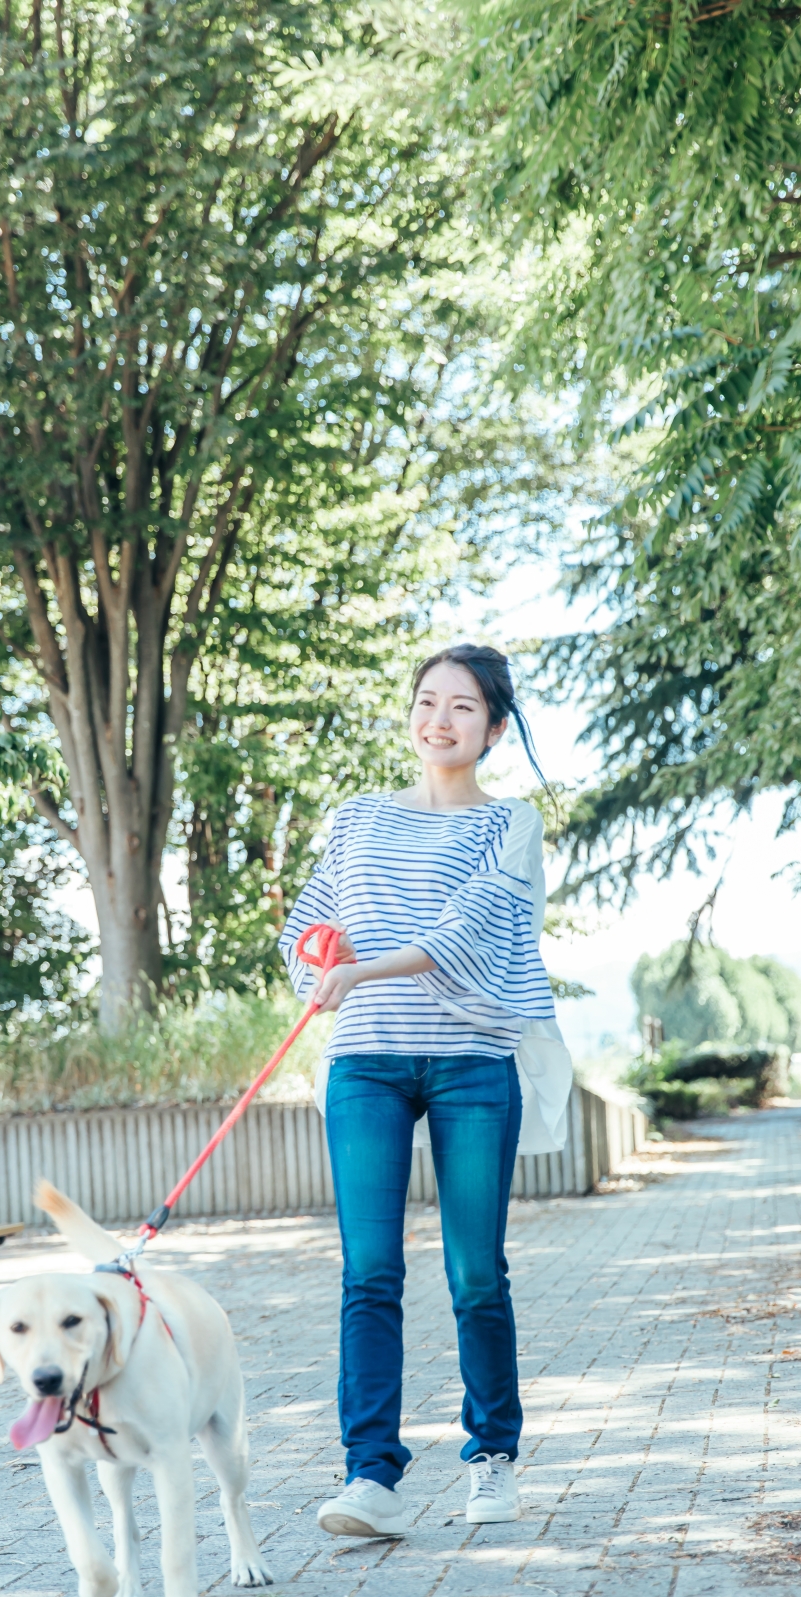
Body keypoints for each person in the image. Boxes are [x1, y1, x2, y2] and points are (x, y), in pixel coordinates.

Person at [279, 643, 568, 1538]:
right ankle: (370, 1477)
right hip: (366, 1061)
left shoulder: (508, 824)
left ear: (494, 729)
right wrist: (321, 958)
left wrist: (364, 970)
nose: (439, 720)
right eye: (427, 701)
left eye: (463, 707)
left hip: (471, 1063)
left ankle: (492, 1460)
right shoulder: (358, 817)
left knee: (475, 1272)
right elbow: (308, 923)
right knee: (369, 1272)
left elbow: (470, 930)